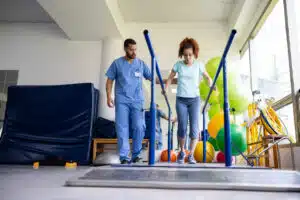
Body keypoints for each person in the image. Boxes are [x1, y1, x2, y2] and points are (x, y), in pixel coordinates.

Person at [165, 37, 214, 164]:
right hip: (181, 99)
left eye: (190, 55)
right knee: (182, 127)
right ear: (182, 54)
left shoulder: (199, 65)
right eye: (185, 55)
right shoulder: (178, 65)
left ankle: (190, 154)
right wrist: (166, 88)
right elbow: (170, 78)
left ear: (194, 54)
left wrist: (211, 85)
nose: (187, 58)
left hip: (194, 100)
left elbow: (208, 78)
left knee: (194, 129)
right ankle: (182, 151)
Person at [105, 38, 151, 164]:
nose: (134, 52)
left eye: (135, 49)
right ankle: (124, 156)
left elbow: (152, 77)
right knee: (122, 128)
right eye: (131, 49)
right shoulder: (117, 63)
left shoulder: (140, 64)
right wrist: (109, 96)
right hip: (122, 100)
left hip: (137, 101)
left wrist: (168, 81)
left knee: (139, 126)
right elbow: (109, 80)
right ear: (125, 49)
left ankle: (136, 154)